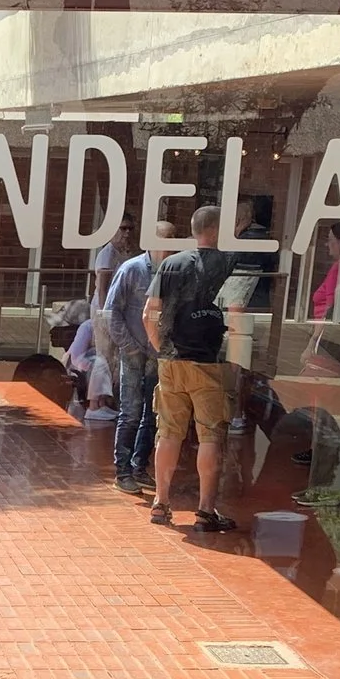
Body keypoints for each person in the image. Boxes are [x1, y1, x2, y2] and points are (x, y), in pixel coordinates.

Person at [146, 203, 242, 535]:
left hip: (171, 361)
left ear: (194, 228)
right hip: (209, 364)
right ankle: (205, 510)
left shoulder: (170, 263)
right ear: (215, 230)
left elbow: (149, 314)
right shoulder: (229, 263)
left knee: (169, 431)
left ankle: (161, 502)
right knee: (210, 436)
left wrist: (163, 349)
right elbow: (237, 312)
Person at [102, 234, 160, 494]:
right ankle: (122, 471)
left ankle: (139, 466)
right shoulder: (131, 269)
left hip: (157, 353)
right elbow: (111, 311)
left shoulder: (169, 272)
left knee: (152, 412)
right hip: (134, 351)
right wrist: (129, 346)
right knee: (131, 411)